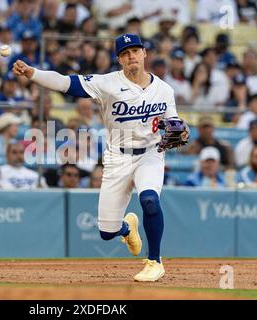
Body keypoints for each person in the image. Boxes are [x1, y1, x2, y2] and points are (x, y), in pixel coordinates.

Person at [13, 33, 189, 282]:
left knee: (150, 200)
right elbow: (65, 82)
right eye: (125, 53)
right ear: (119, 59)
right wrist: (34, 73)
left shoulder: (164, 90)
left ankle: (155, 262)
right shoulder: (106, 83)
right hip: (117, 158)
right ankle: (128, 229)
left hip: (149, 154)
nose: (131, 56)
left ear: (144, 53)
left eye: (135, 51)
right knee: (108, 232)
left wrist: (182, 129)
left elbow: (173, 124)